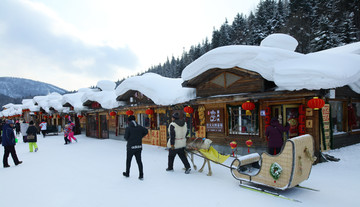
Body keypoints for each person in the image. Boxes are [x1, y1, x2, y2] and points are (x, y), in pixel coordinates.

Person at [123, 115, 148, 180]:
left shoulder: (128, 128)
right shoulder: (139, 127)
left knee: (128, 161)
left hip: (130, 147)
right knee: (139, 161)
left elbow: (125, 137)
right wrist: (140, 136)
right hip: (138, 147)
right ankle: (141, 175)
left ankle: (127, 173)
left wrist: (130, 139)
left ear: (129, 121)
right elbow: (146, 131)